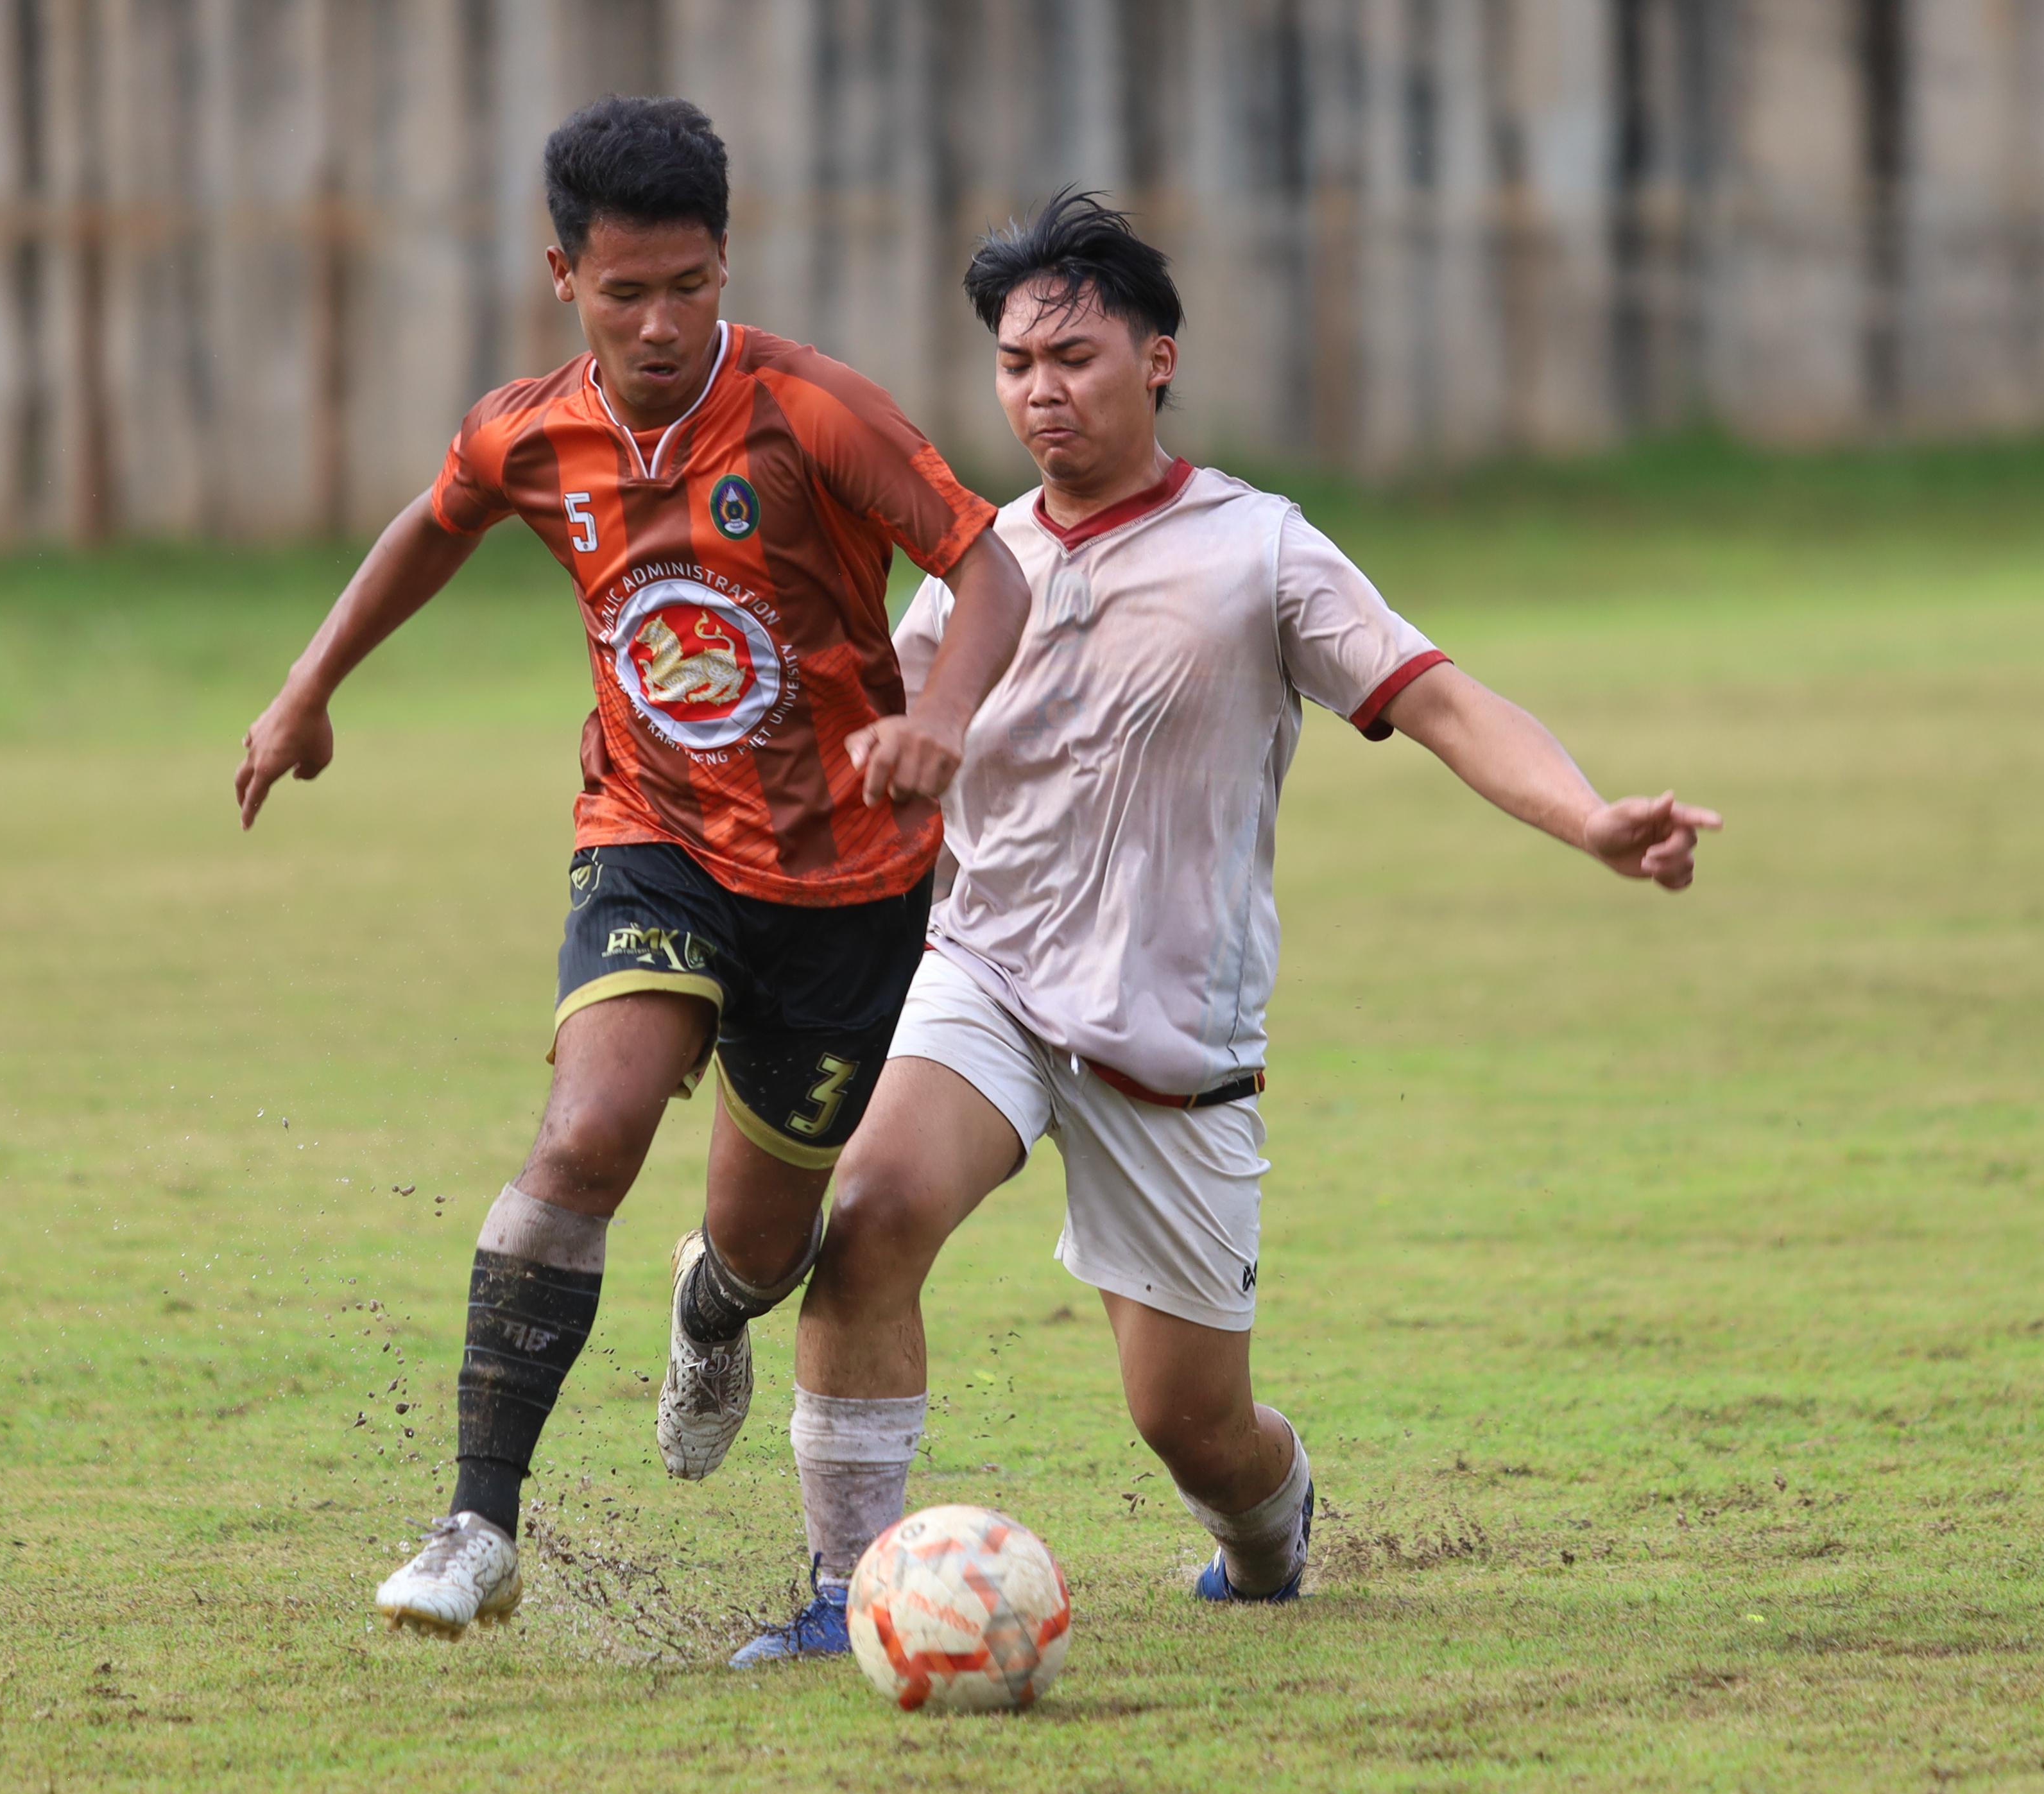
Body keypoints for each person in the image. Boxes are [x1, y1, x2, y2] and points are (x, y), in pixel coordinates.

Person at [728, 194, 1719, 1664]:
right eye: (1013, 363)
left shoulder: (1260, 551)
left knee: (1188, 1422)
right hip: (987, 980)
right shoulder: (974, 572)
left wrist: (1587, 819)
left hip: (1173, 1036)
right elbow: (869, 764)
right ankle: (832, 1590)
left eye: (1072, 354)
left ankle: (1271, 1524)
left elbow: (1438, 698)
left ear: (1159, 359)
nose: (1039, 389)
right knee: (867, 1226)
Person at [234, 96, 1032, 1632]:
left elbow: (985, 562)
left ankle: (709, 1304)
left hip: (850, 887)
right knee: (589, 1125)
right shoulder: (532, 430)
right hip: (651, 837)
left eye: (687, 287)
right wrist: (304, 688)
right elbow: (431, 521)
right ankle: (476, 1523)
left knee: (763, 1244)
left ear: (725, 265)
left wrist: (938, 718)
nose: (659, 324)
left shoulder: (815, 414)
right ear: (562, 276)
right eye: (624, 293)